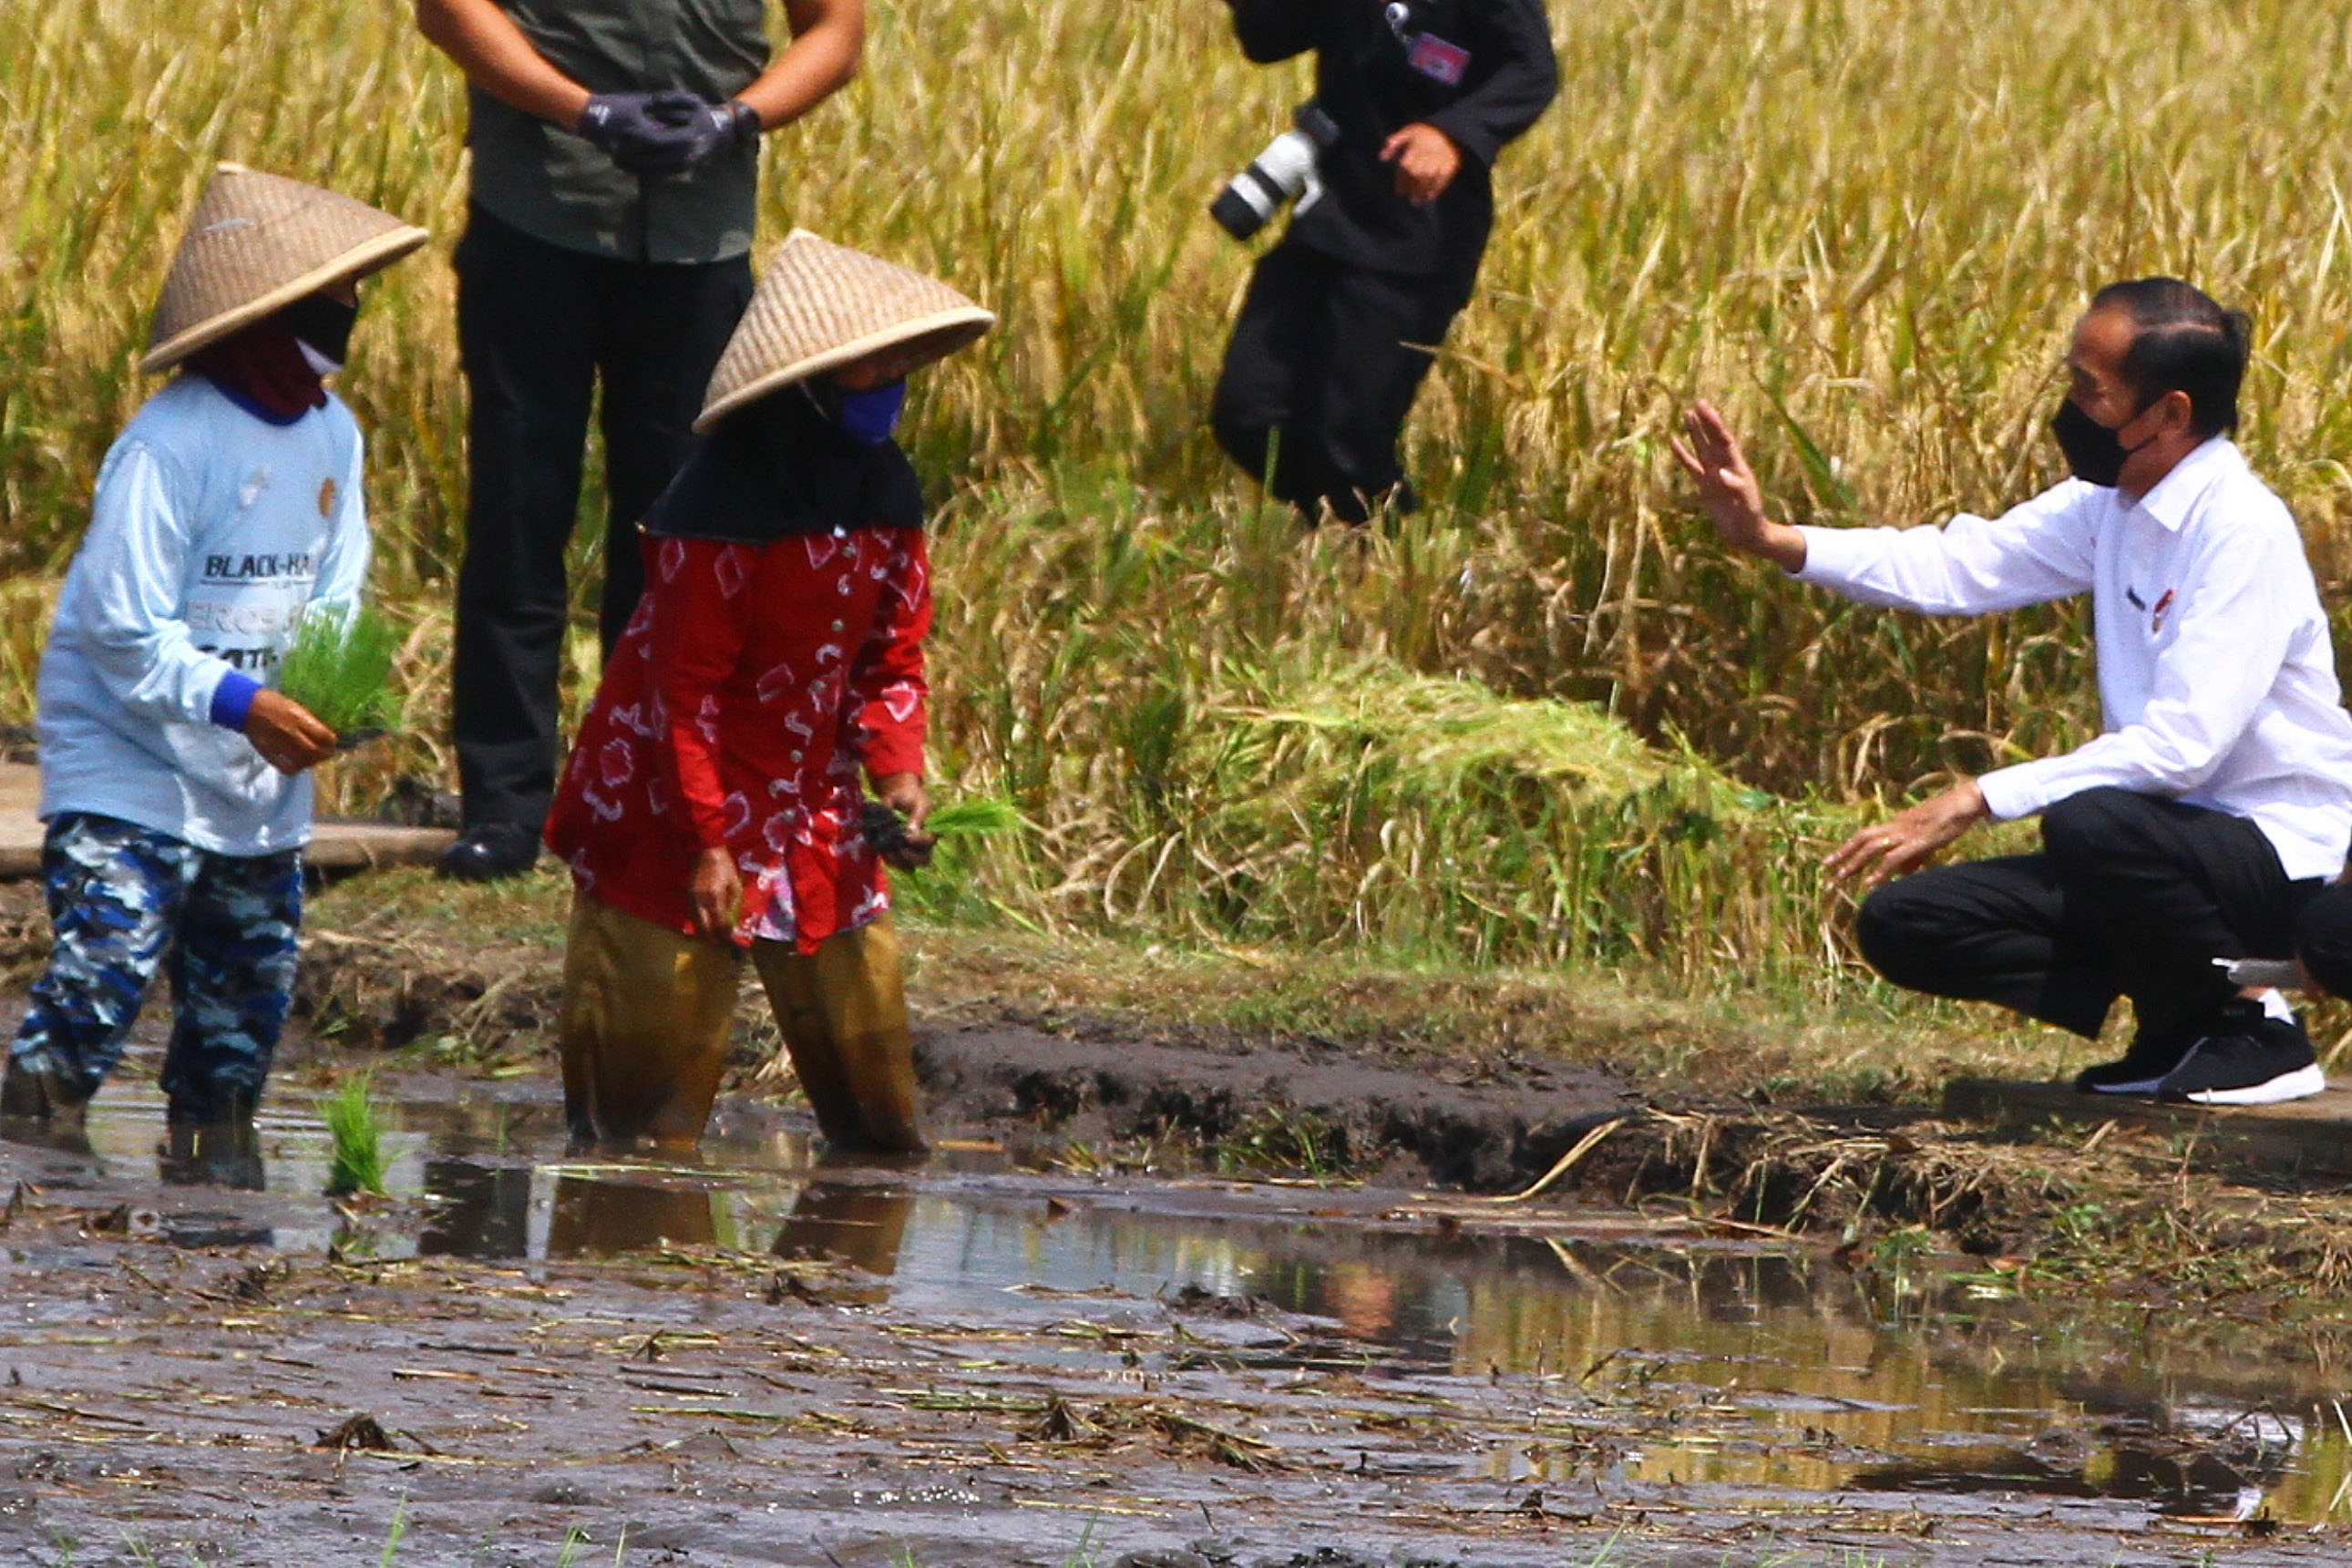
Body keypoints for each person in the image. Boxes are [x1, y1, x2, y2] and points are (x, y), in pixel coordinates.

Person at [1673, 278, 2352, 1107]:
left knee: (2090, 819)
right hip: (2159, 852)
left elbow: (2181, 749)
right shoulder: (2110, 504)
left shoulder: (2238, 529)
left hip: (2272, 853)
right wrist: (1772, 539)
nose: (2067, 407)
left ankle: (2253, 1030)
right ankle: (2180, 1015)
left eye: (2086, 389)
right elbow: (1961, 564)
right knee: (1906, 923)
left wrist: (1972, 799)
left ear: (2170, 414)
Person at [0, 165, 427, 1137]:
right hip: (131, 760)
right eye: (338, 297)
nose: (353, 314)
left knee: (238, 1035)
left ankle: (214, 1217)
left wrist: (327, 704)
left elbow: (336, 591)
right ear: (274, 313)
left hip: (256, 778)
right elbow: (119, 631)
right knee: (101, 982)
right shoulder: (171, 445)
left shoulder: (334, 435)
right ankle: (28, 1174)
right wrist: (246, 704)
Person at [543, 231, 991, 1154]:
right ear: (815, 378)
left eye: (904, 360)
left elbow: (890, 657)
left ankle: (852, 1291)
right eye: (880, 362)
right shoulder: (720, 504)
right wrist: (710, 839)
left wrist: (897, 772)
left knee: (878, 1114)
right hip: (679, 789)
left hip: (809, 797)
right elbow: (688, 690)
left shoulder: (885, 484)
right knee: (639, 1132)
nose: (898, 376)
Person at [415, 0, 866, 883]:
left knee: (676, 543)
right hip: (538, 216)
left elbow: (836, 36)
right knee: (517, 512)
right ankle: (506, 804)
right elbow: (447, 11)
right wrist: (583, 110)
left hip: (699, 243)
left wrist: (736, 118)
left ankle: (649, 800)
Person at [1209, 0, 1557, 524]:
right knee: (1246, 414)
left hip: (1418, 240)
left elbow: (1532, 69)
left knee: (1347, 439)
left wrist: (1455, 133)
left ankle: (1396, 559)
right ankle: (1357, 536)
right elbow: (1269, 38)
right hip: (1325, 221)